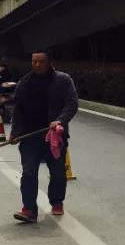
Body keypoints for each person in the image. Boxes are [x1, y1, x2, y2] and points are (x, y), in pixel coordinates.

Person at [11, 51, 78, 223]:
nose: (37, 65)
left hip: (54, 136)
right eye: (34, 61)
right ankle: (29, 209)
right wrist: (15, 132)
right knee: (28, 173)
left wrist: (60, 120)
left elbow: (72, 103)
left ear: (49, 62)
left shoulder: (63, 81)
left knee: (57, 173)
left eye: (41, 61)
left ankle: (56, 201)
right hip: (29, 137)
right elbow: (18, 110)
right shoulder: (24, 83)